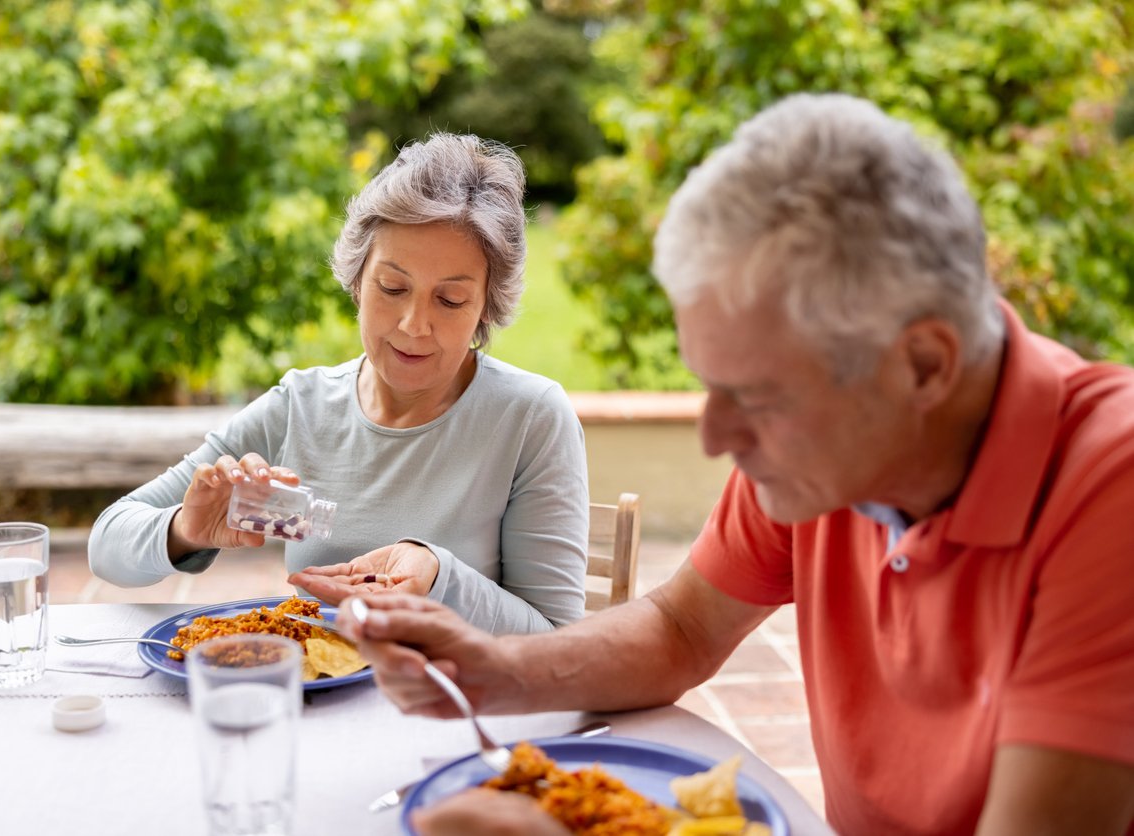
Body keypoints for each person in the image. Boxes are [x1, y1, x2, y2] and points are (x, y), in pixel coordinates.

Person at [339, 94, 1134, 835]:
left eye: (755, 394)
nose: (716, 436)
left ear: (923, 366)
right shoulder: (830, 450)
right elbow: (681, 629)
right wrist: (493, 671)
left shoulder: (1111, 490)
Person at [87, 133, 590, 634]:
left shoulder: (529, 418)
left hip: (455, 706)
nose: (414, 325)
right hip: (318, 701)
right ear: (356, 280)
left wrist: (437, 579)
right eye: (392, 288)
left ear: (486, 307)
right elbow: (107, 545)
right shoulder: (301, 406)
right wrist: (185, 530)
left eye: (451, 300)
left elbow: (559, 642)